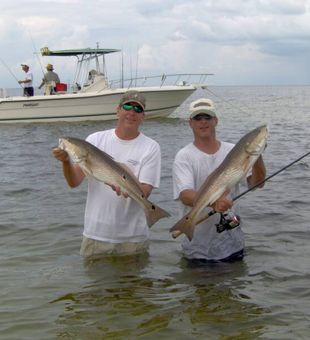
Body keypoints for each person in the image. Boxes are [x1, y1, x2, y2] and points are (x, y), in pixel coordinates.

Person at [52, 90, 162, 258]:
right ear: (118, 110)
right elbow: (74, 182)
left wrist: (126, 185)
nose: (132, 112)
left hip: (133, 239)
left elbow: (145, 191)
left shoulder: (151, 146)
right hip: (96, 235)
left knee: (135, 285)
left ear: (143, 116)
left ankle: (151, 212)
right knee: (96, 285)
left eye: (137, 109)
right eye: (127, 106)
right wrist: (66, 161)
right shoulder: (95, 140)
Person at [172, 98, 266, 264]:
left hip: (233, 244)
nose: (203, 122)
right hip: (198, 249)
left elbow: (256, 184)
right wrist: (213, 203)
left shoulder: (233, 150)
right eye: (198, 118)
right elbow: (185, 195)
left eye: (207, 117)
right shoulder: (184, 156)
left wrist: (257, 157)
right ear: (190, 123)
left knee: (233, 287)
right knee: (201, 289)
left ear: (216, 121)